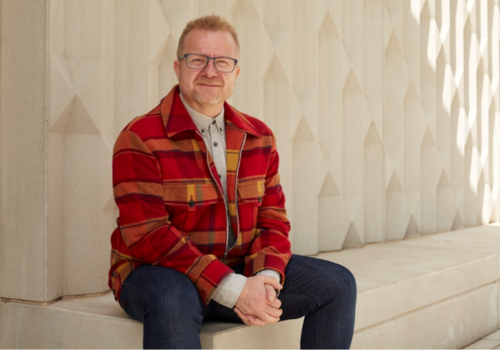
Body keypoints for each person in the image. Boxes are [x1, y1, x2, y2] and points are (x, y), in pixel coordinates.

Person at [109, 14, 356, 349]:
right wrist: (233, 289)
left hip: (239, 269)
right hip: (157, 273)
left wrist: (265, 280)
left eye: (222, 62)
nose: (210, 72)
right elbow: (147, 236)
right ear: (177, 68)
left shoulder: (258, 137)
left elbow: (273, 222)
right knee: (172, 297)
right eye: (197, 60)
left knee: (338, 283)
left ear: (235, 74)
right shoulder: (140, 137)